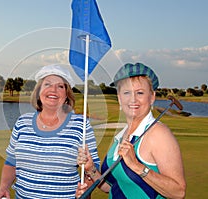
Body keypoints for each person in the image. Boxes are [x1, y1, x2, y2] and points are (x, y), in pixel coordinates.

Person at [76, 63, 186, 199]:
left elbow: (178, 192)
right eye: (127, 93)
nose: (133, 99)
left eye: (140, 92)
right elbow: (112, 187)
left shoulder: (158, 134)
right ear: (119, 98)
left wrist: (136, 166)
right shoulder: (121, 135)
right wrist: (91, 168)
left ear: (152, 97)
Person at [0, 64, 100, 199]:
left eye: (60, 86)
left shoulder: (81, 125)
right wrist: (3, 188)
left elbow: (93, 166)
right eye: (47, 84)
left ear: (66, 94)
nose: (53, 90)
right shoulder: (22, 122)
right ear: (39, 91)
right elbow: (11, 162)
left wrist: (85, 189)